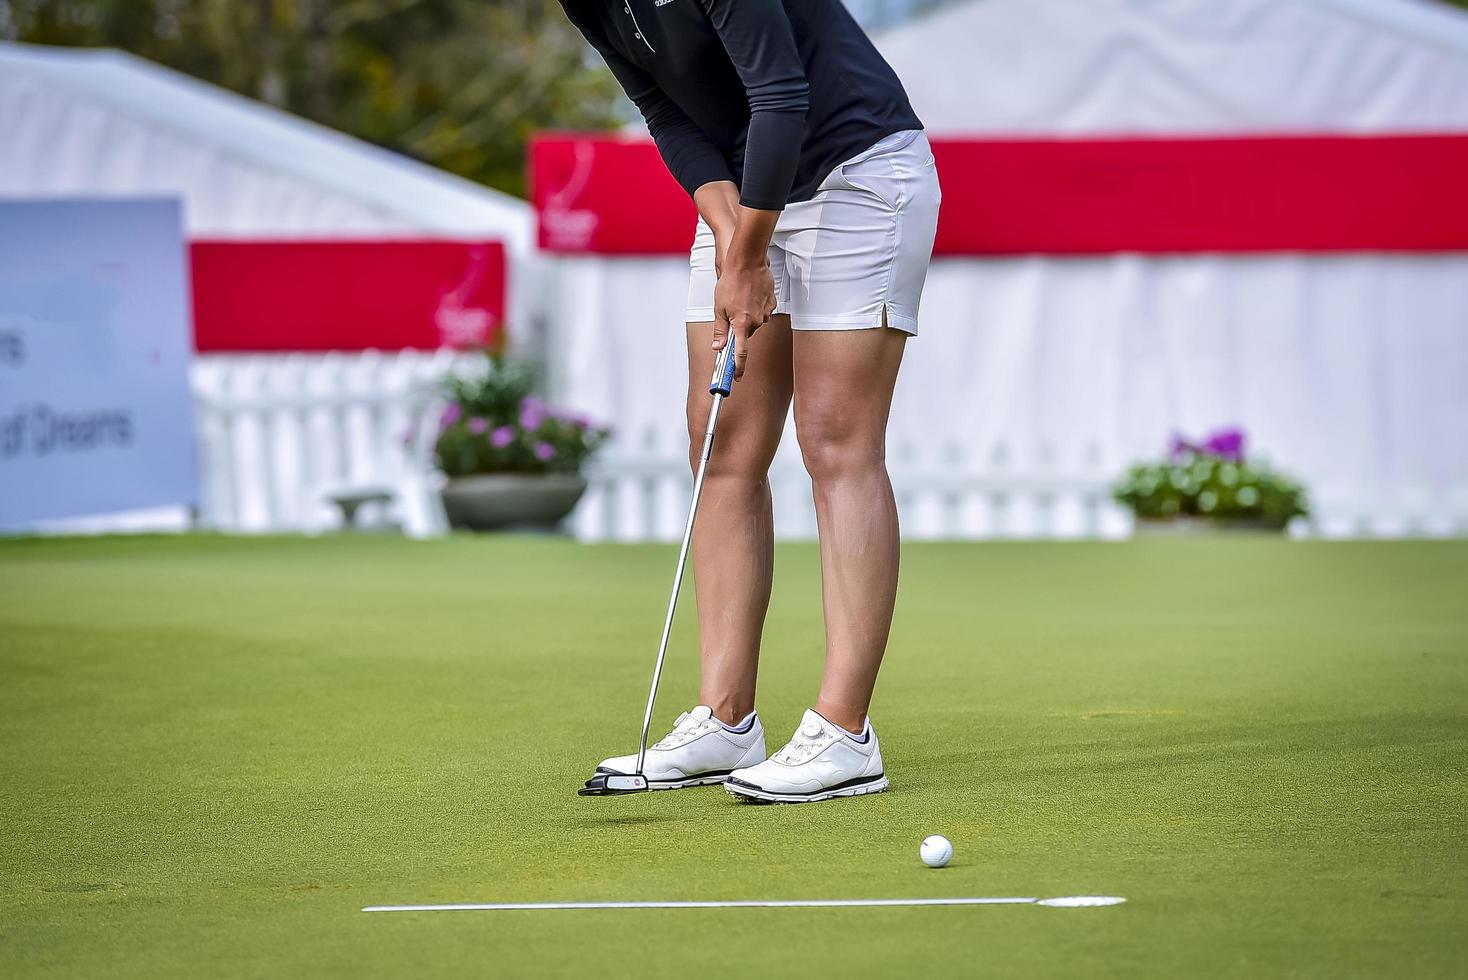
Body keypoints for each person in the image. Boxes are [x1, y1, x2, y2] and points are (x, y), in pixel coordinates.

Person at [560, 0, 940, 803]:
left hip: (857, 168)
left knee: (835, 441)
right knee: (720, 438)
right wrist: (732, 235)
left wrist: (749, 255)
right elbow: (663, 107)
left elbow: (781, 94)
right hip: (749, 190)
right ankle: (726, 719)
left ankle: (845, 734)